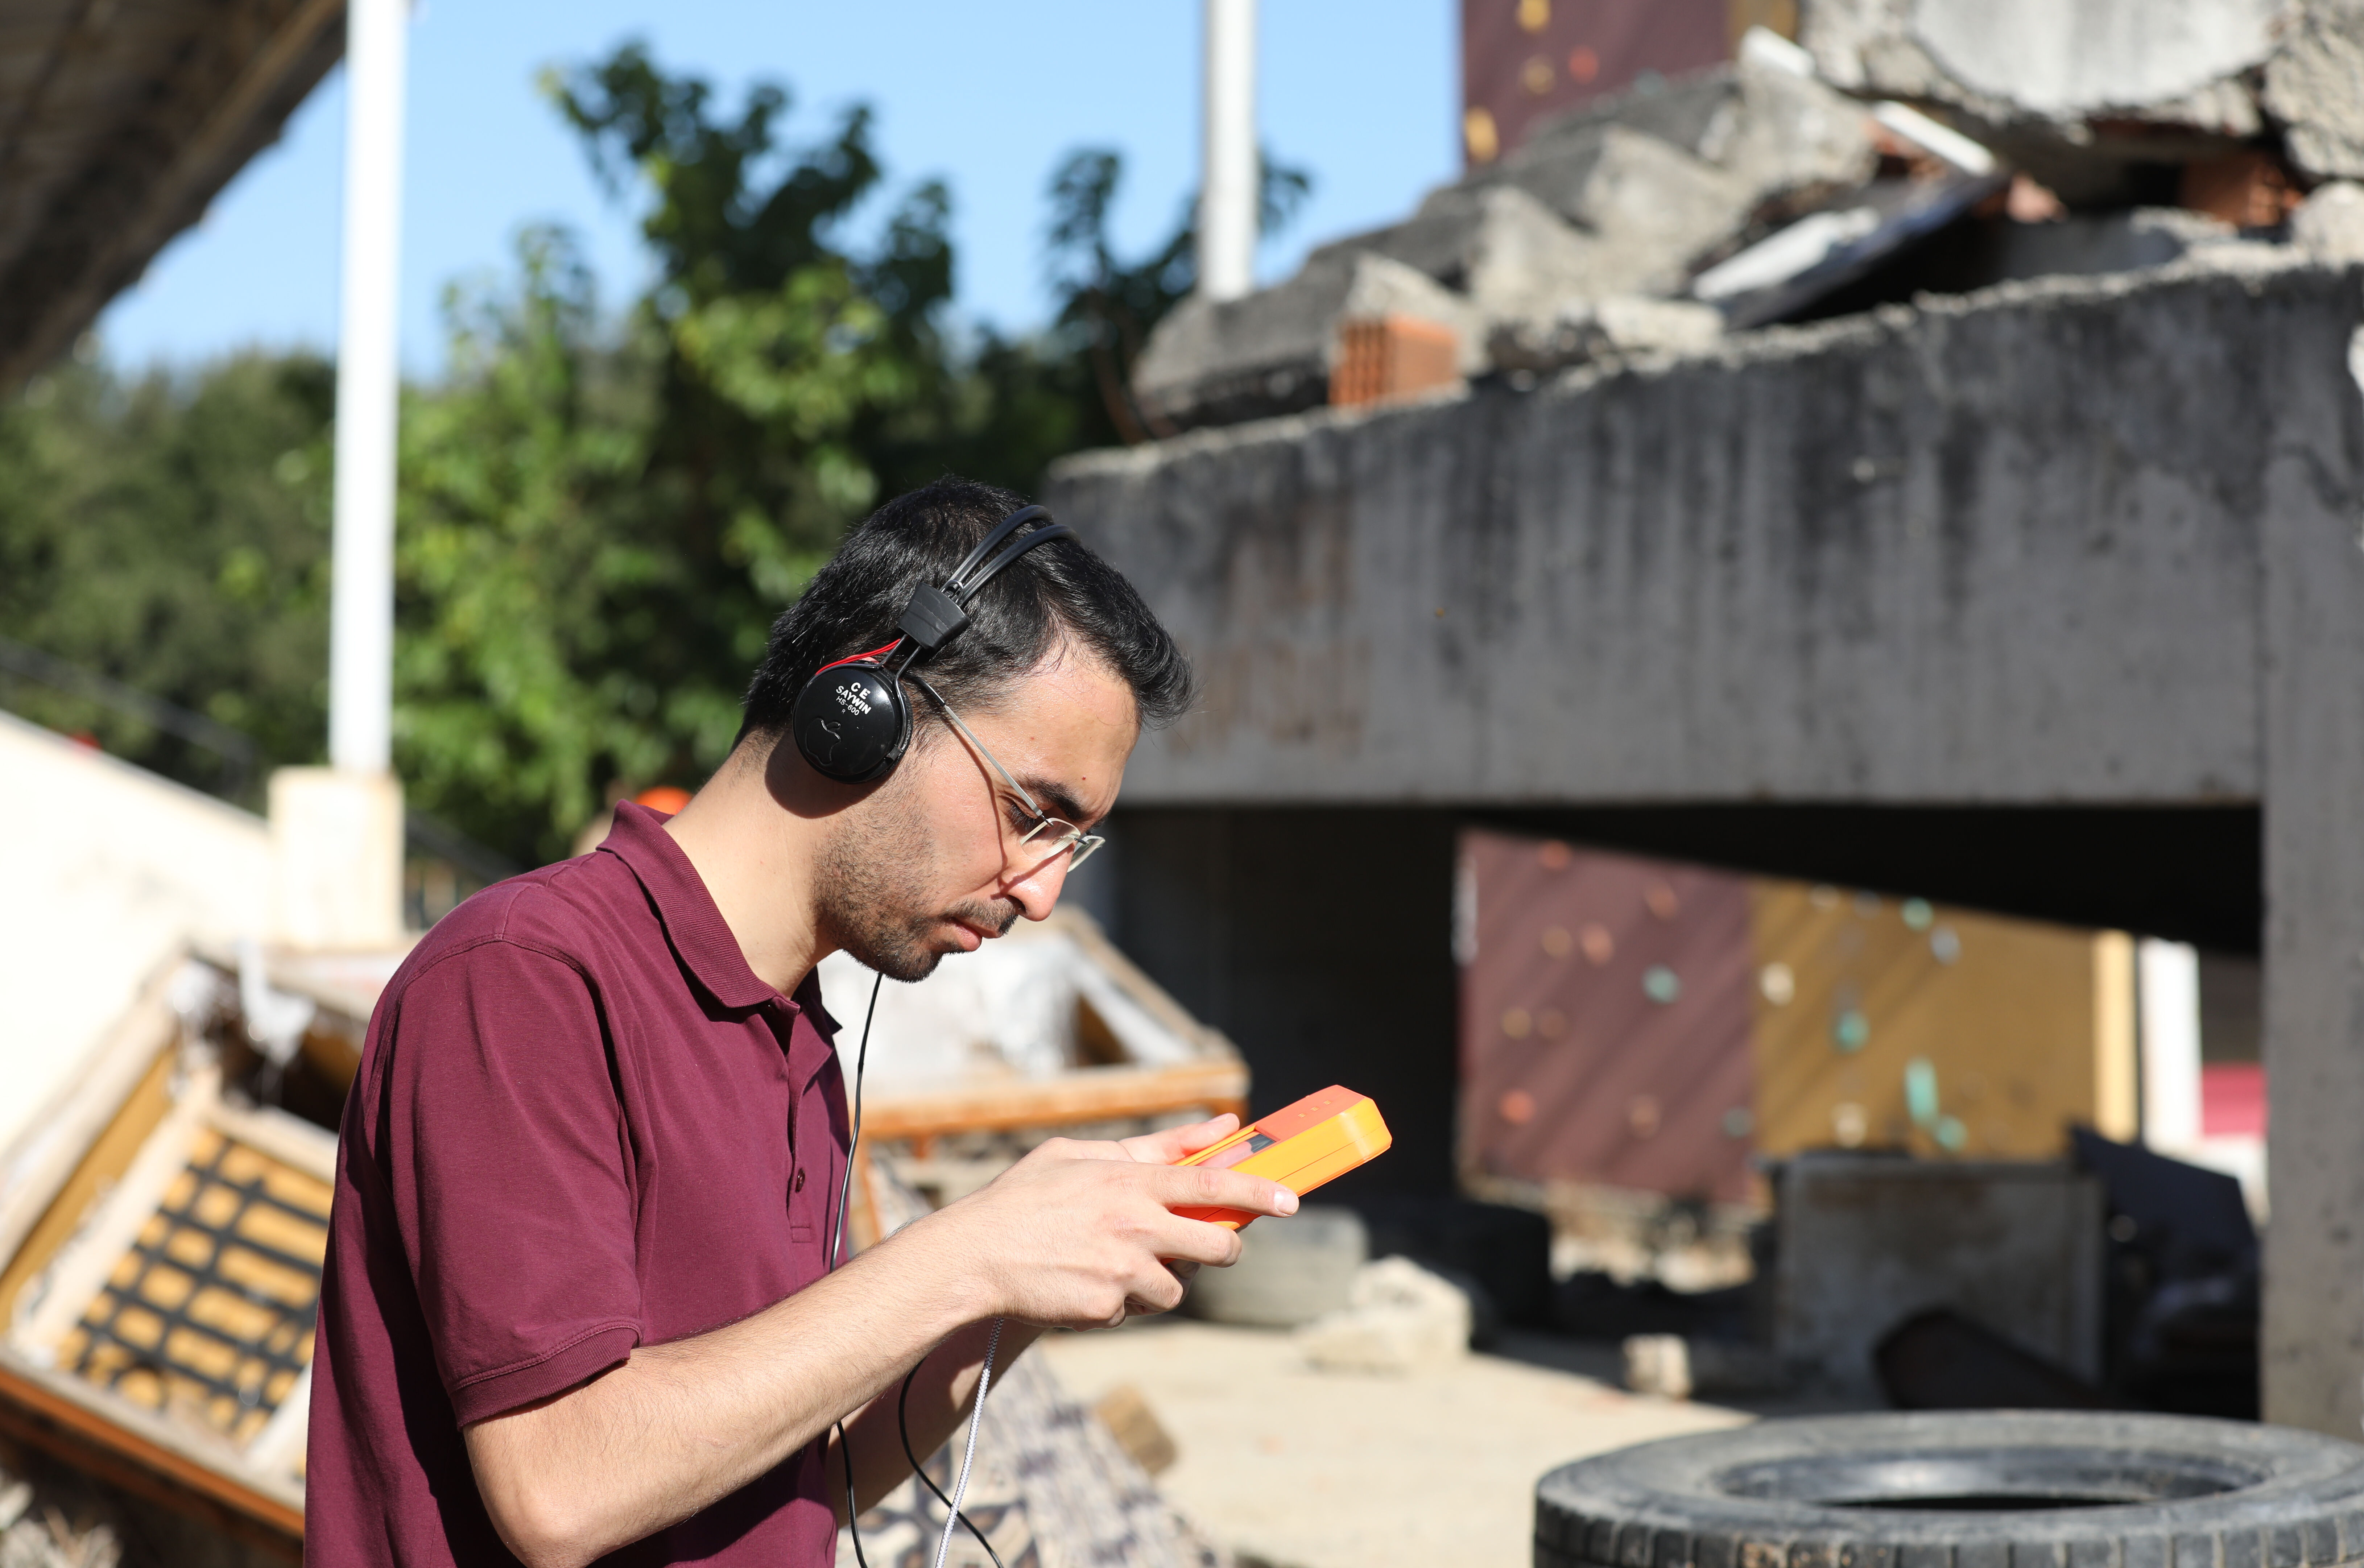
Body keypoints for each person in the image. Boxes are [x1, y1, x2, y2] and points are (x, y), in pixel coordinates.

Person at [306, 477, 1297, 1568]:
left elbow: (798, 1485)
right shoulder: (527, 976)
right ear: (859, 711)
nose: (1042, 890)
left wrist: (1024, 1295)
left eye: (1075, 843)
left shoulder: (801, 1037)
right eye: (1032, 814)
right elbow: (563, 1485)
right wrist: (972, 1252)